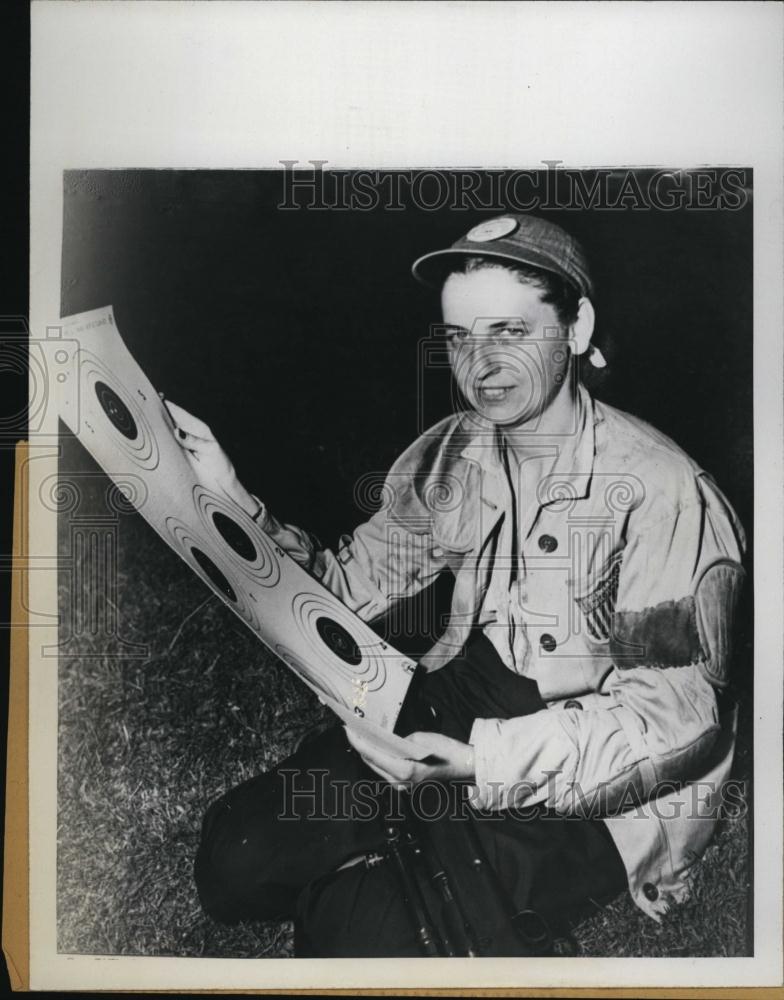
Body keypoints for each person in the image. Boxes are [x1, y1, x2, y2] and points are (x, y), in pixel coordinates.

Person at [168, 214, 746, 956]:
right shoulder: (457, 451)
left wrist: (481, 763)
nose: (482, 363)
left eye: (509, 329)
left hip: (601, 778)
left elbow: (676, 722)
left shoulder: (662, 490)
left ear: (577, 326)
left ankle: (397, 878)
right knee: (234, 862)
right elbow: (340, 590)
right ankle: (391, 852)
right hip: (467, 698)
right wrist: (229, 499)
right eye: (459, 337)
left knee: (355, 933)